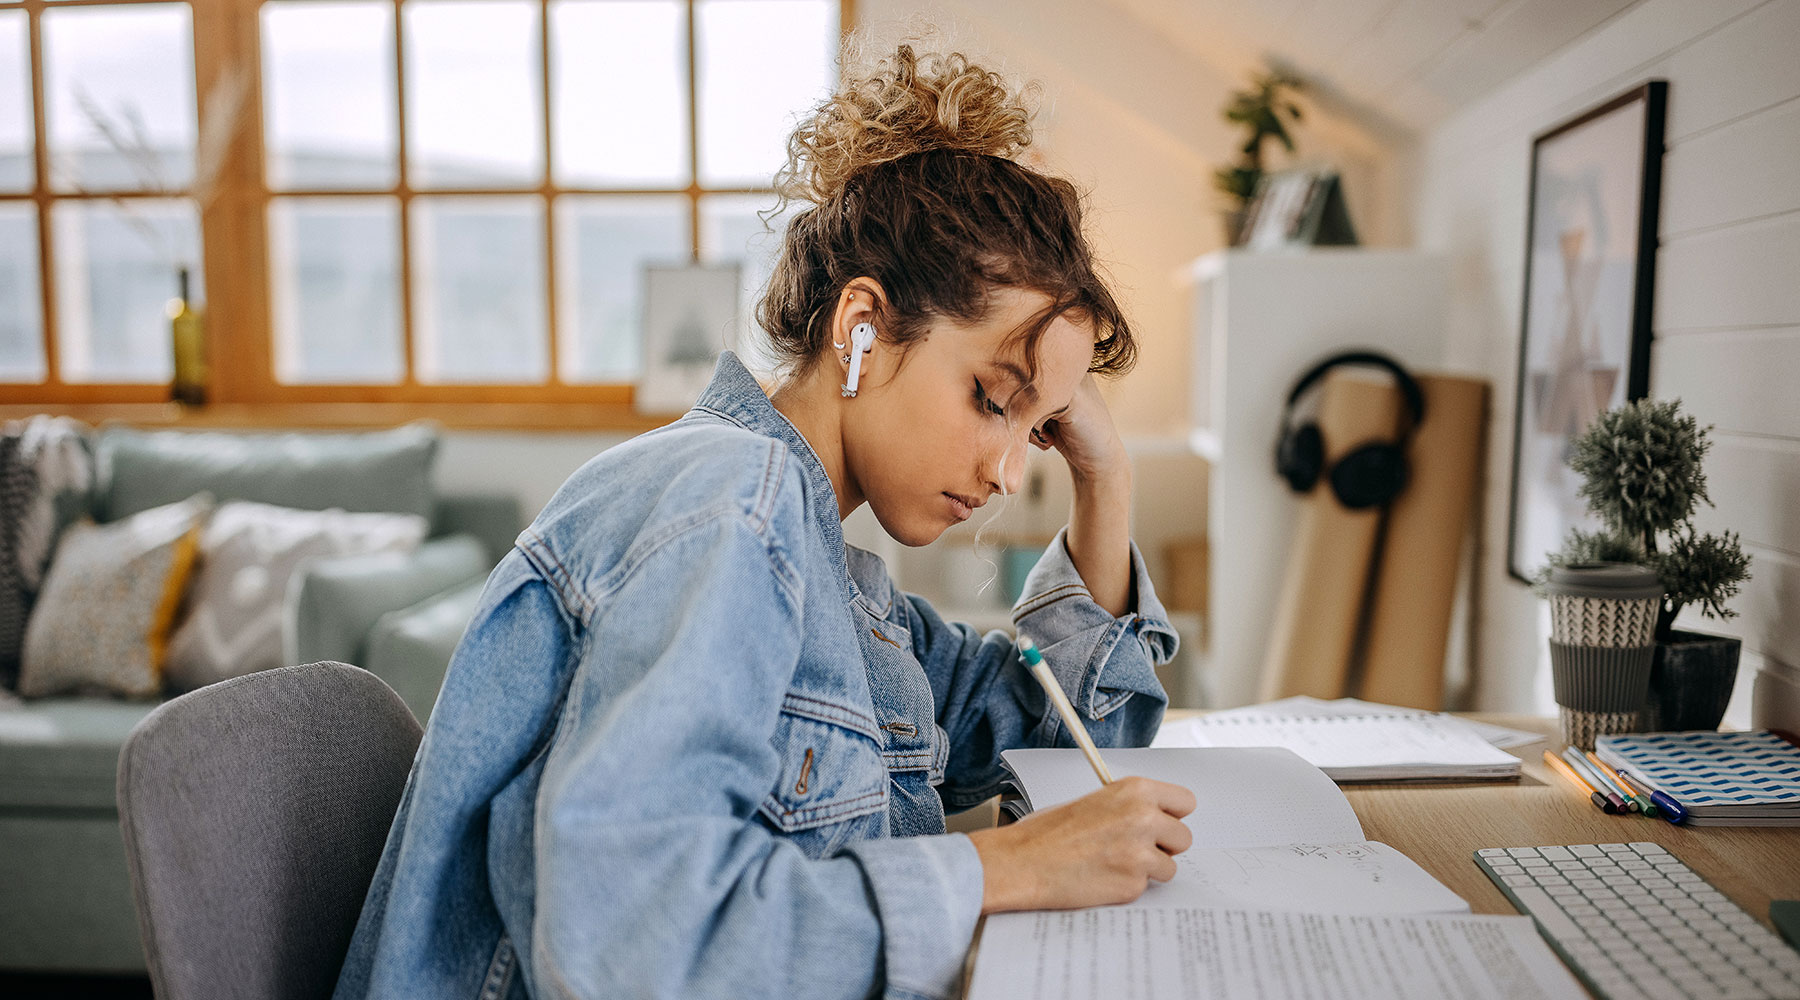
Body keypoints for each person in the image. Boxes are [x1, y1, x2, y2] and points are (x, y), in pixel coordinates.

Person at [333, 41, 1196, 1000]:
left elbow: (1054, 732)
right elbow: (630, 939)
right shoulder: (731, 509)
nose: (1004, 472)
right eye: (993, 399)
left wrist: (1104, 476)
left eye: (1036, 430)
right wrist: (1015, 868)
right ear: (862, 327)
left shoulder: (840, 580)